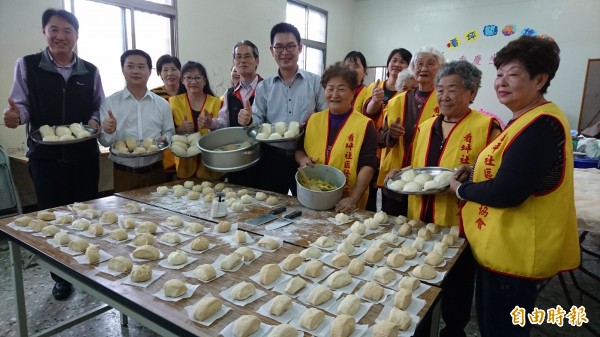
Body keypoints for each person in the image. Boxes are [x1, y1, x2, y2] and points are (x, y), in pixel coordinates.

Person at [449, 36, 580, 337]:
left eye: (513, 74)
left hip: (518, 257)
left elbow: (508, 191)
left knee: (501, 330)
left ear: (540, 79)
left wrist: (460, 190)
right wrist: (476, 170)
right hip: (502, 249)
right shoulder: (525, 118)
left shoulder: (541, 125)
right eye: (499, 74)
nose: (501, 83)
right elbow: (512, 168)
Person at [388, 60, 501, 337]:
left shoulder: (488, 128)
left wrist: (470, 177)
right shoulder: (426, 126)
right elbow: (419, 167)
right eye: (440, 90)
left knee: (457, 288)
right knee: (419, 285)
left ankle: (453, 330)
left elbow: (495, 177)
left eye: (452, 89)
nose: (444, 96)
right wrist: (399, 172)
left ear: (472, 92)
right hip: (419, 221)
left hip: (458, 226)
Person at [3, 8, 104, 300]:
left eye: (67, 31)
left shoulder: (90, 70)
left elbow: (98, 106)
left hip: (84, 158)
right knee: (52, 220)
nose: (60, 36)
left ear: (76, 36)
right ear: (44, 32)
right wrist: (15, 117)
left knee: (86, 216)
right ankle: (60, 277)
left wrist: (95, 121)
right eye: (54, 29)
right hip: (45, 160)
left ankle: (88, 270)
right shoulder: (28, 66)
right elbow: (21, 105)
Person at [238, 22, 326, 195]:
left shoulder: (315, 82)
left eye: (290, 46)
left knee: (308, 208)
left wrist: (310, 126)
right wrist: (249, 119)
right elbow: (257, 119)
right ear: (271, 50)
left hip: (305, 157)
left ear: (299, 48)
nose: (284, 52)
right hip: (272, 157)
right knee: (271, 206)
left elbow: (325, 117)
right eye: (279, 47)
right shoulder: (264, 87)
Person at [296, 62, 378, 212]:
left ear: (353, 93)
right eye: (330, 89)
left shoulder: (365, 125)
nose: (334, 95)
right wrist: (303, 160)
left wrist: (353, 198)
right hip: (315, 197)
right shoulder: (313, 119)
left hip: (348, 201)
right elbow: (299, 150)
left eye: (341, 89)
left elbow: (368, 166)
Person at [379, 46, 445, 216]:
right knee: (392, 228)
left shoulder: (445, 102)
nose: (423, 68)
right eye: (419, 64)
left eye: (430, 64)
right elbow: (381, 137)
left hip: (428, 179)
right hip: (395, 176)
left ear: (440, 69)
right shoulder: (396, 101)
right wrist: (390, 135)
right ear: (412, 69)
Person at [99, 49, 174, 192]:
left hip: (155, 172)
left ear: (149, 71)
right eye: (130, 66)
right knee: (126, 213)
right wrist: (110, 130)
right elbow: (105, 141)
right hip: (124, 173)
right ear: (122, 69)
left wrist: (166, 138)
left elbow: (169, 131)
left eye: (141, 67)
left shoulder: (162, 104)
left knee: (157, 214)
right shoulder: (110, 103)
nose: (135, 71)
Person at [201, 40, 263, 187]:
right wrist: (212, 123)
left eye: (247, 56)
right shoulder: (229, 93)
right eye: (238, 57)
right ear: (234, 62)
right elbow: (224, 121)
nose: (242, 61)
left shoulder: (267, 88)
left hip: (262, 159)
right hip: (237, 161)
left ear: (257, 61)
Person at [170, 61, 222, 180]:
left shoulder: (217, 102)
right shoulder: (173, 103)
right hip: (184, 165)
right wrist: (180, 129)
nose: (193, 82)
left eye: (198, 78)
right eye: (188, 77)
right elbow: (167, 133)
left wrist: (211, 125)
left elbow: (224, 131)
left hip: (211, 163)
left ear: (205, 81)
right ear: (182, 80)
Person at [150, 54, 181, 179]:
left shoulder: (188, 91)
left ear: (180, 71)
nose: (170, 73)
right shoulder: (153, 95)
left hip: (186, 148)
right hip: (163, 151)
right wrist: (178, 130)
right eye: (165, 70)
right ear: (159, 73)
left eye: (174, 69)